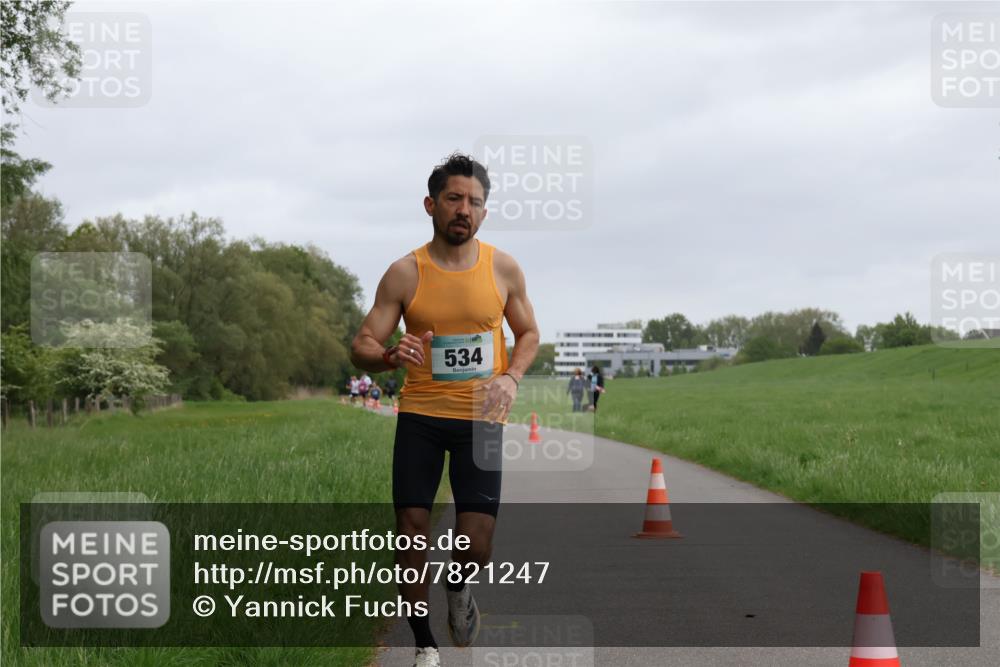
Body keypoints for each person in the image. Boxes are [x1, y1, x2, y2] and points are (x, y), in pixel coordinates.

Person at [350, 153, 539, 667]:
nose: (465, 209)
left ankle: (459, 586)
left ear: (484, 211)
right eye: (454, 199)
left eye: (475, 201)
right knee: (411, 524)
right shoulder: (405, 272)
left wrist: (510, 376)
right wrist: (390, 355)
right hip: (421, 417)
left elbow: (528, 334)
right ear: (431, 204)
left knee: (476, 542)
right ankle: (424, 644)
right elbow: (362, 342)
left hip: (480, 419)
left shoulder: (502, 268)